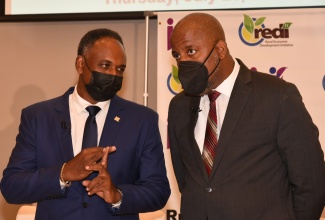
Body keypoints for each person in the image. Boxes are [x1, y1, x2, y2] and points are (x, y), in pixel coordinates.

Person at [167, 12, 325, 220]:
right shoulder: (178, 106)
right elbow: (186, 180)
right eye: (178, 56)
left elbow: (311, 182)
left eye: (191, 51)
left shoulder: (277, 95)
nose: (183, 62)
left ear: (220, 50)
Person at [1, 28, 170, 220]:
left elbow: (158, 190)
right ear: (80, 64)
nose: (114, 75)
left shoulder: (141, 120)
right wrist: (64, 173)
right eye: (105, 66)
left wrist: (117, 195)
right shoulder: (39, 117)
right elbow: (12, 187)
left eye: (120, 69)